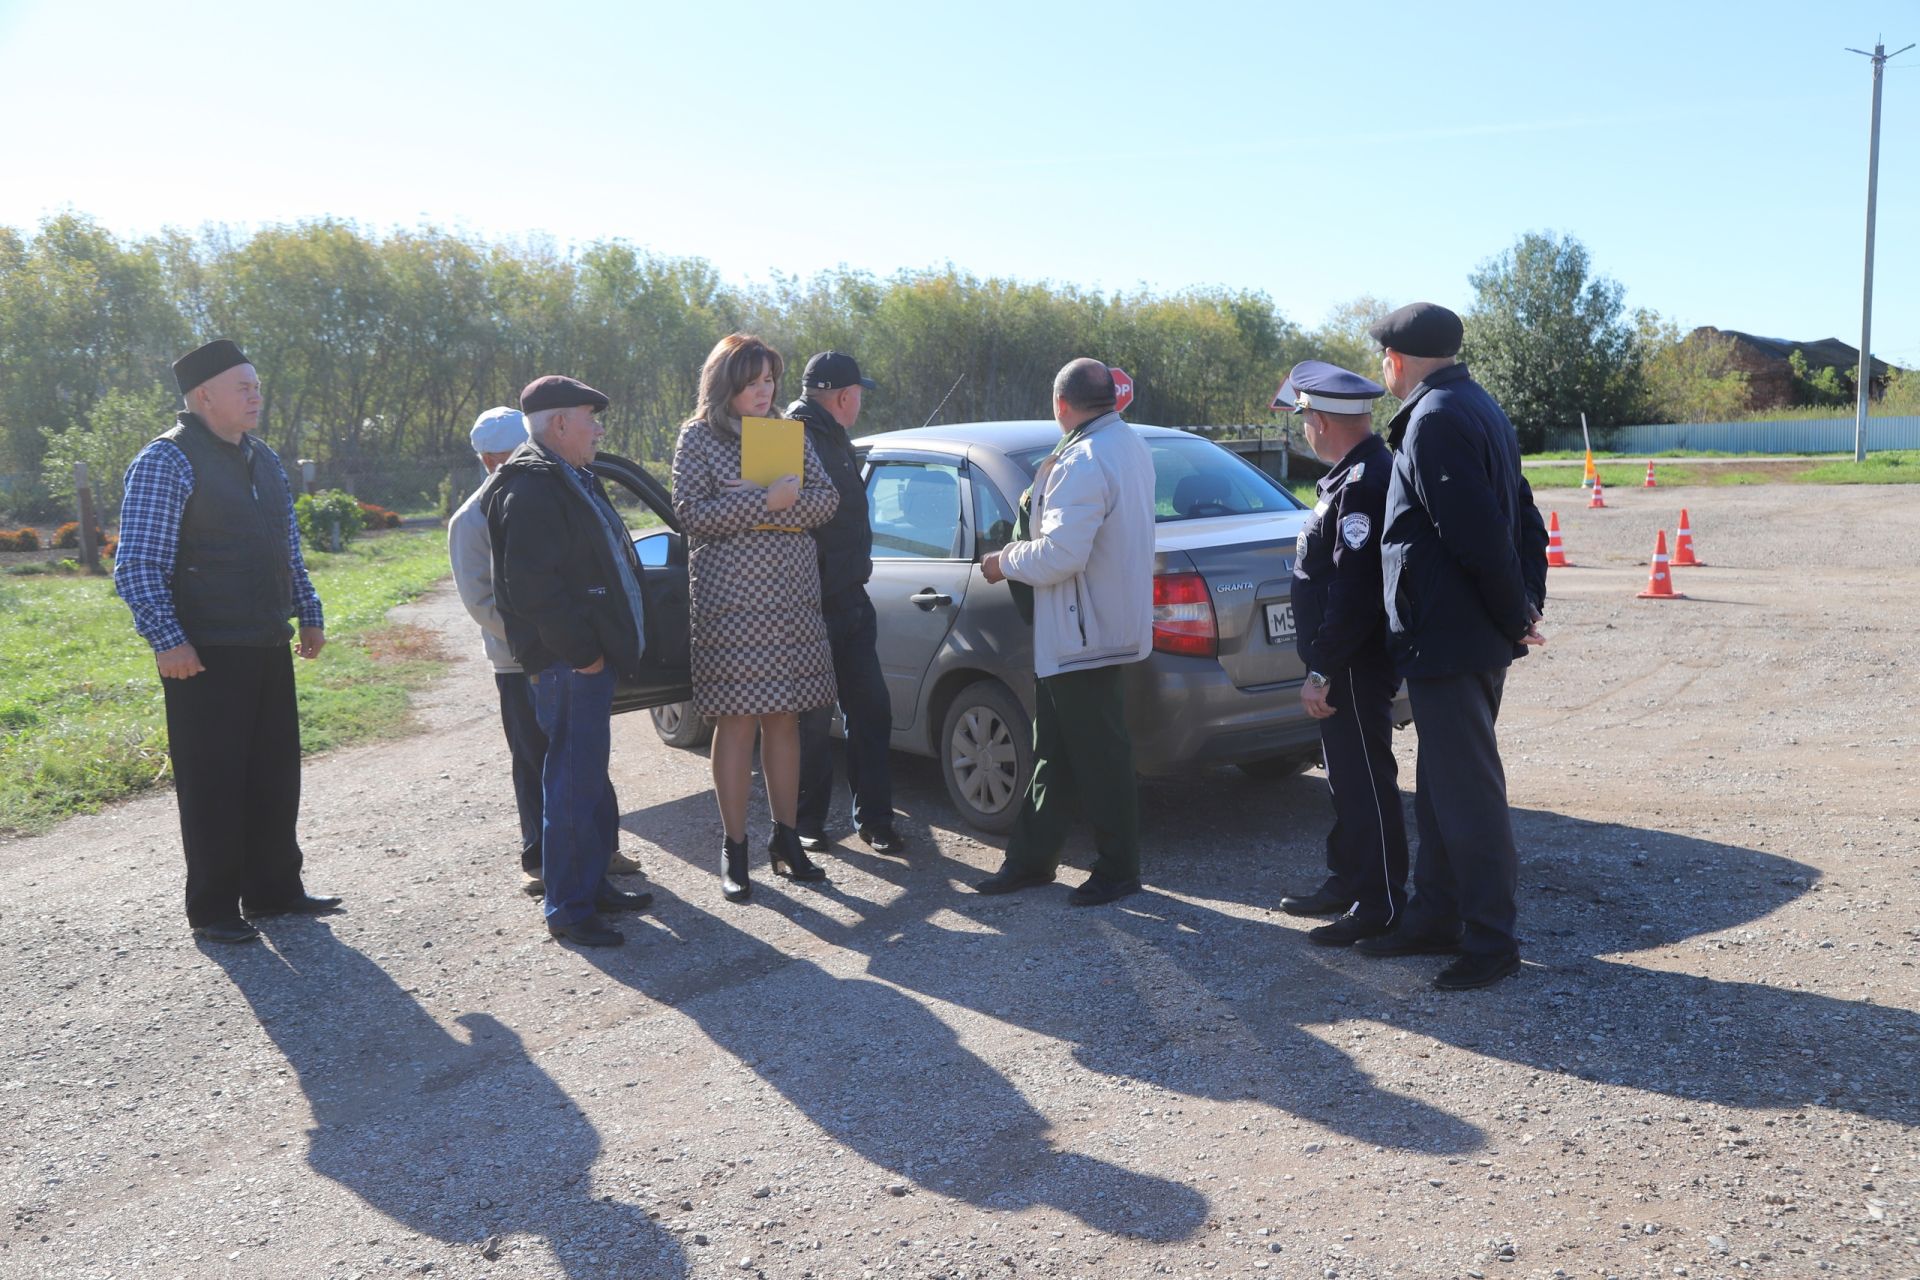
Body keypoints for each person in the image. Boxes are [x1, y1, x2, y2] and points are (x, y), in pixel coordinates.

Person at [114, 339, 340, 945]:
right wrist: (168, 640)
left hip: (266, 640)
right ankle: (214, 910)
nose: (256, 395)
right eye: (243, 386)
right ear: (202, 395)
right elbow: (137, 564)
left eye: (257, 385)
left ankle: (273, 891)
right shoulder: (167, 460)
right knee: (214, 782)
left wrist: (309, 612)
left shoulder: (262, 458)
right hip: (203, 654)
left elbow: (286, 550)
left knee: (273, 772)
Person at [1355, 302, 1548, 990]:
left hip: (1455, 635)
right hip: (1464, 632)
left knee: (1466, 793)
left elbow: (1478, 532)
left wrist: (1512, 613)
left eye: (1382, 356)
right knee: (1438, 786)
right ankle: (1433, 918)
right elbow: (1522, 515)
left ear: (1398, 361)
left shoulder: (1435, 419)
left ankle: (1491, 941)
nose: (1382, 366)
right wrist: (1525, 604)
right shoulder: (1476, 405)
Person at [447, 405, 651, 907]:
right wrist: (548, 643)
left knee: (579, 766)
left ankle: (596, 862)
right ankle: (543, 863)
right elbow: (486, 601)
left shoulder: (549, 489)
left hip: (557, 654)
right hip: (523, 660)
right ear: (491, 457)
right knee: (540, 766)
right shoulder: (474, 515)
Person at [972, 358, 1156, 907]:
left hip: (1083, 634)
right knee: (1053, 749)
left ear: (1061, 406)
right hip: (1096, 627)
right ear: (1114, 400)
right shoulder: (1129, 445)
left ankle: (1119, 868)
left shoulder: (1085, 458)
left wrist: (1005, 560)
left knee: (1100, 756)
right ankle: (1031, 860)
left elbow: (1061, 555)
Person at [671, 334, 840, 903]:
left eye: (769, 380)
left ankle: (786, 841)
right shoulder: (698, 436)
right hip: (732, 606)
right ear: (727, 385)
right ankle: (735, 847)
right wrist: (765, 504)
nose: (764, 391)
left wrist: (775, 502)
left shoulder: (787, 435)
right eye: (752, 383)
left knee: (785, 720)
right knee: (736, 721)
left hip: (790, 600)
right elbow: (690, 514)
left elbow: (826, 500)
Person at [1271, 361, 1410, 946]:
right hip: (1343, 662)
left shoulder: (1363, 484)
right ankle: (1348, 879)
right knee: (1345, 779)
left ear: (1322, 421)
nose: (1304, 429)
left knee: (1365, 781)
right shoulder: (1350, 476)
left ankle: (1378, 903)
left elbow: (1353, 593)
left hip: (1351, 664)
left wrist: (1322, 670)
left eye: (1306, 419)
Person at [786, 351, 903, 857]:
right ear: (842, 396)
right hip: (809, 603)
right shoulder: (788, 438)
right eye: (859, 394)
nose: (860, 402)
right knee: (810, 721)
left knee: (871, 709)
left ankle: (875, 821)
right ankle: (807, 824)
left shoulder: (837, 439)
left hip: (852, 599)